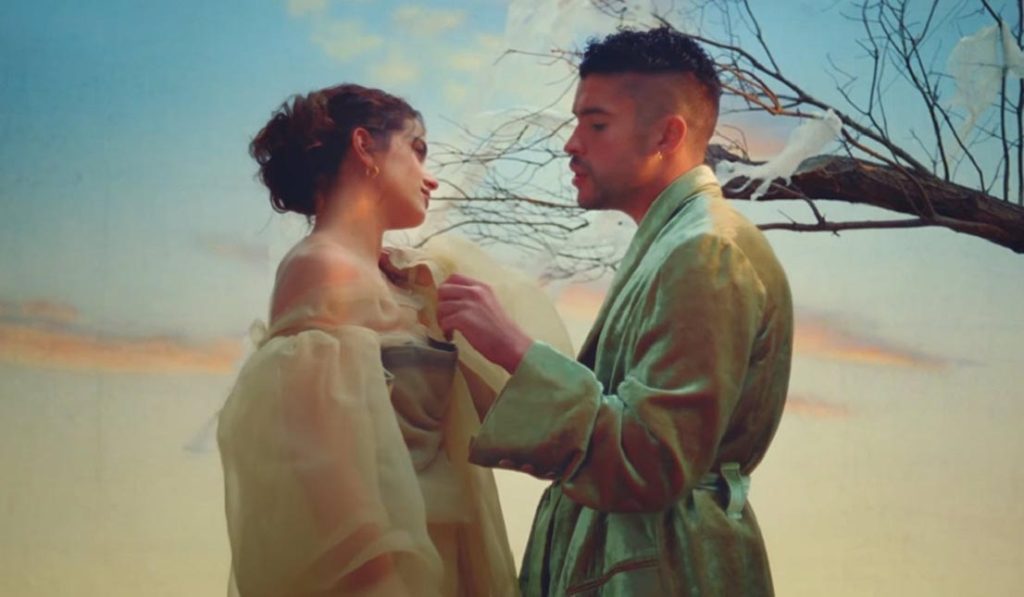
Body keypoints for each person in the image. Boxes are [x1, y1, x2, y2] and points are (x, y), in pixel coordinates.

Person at [437, 28, 794, 596]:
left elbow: (651, 460)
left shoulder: (706, 250)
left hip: (669, 570)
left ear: (666, 134)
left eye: (596, 124)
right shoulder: (675, 244)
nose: (570, 144)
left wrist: (515, 350)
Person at [216, 83, 571, 597]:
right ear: (364, 146)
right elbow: (324, 467)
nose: (432, 177)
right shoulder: (321, 268)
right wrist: (380, 581)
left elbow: (524, 419)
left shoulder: (411, 281)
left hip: (448, 552)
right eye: (417, 148)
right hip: (391, 569)